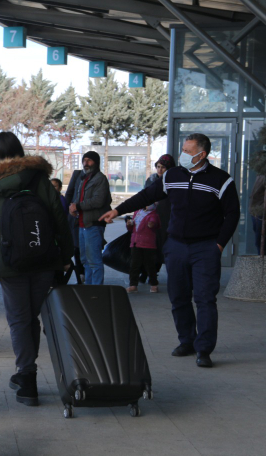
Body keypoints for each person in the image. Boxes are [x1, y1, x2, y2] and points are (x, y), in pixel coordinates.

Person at [101, 133, 241, 368]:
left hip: (205, 247)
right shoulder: (172, 176)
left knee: (205, 299)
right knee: (178, 297)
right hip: (176, 246)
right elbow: (147, 195)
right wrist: (117, 210)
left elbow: (232, 214)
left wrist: (219, 244)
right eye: (183, 150)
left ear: (202, 154)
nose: (183, 155)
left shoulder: (221, 180)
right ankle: (186, 340)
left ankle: (204, 349)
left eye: (188, 151)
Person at [0, 132, 73, 407]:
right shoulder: (37, 177)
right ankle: (29, 372)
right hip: (44, 258)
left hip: (10, 262)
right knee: (31, 316)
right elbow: (58, 216)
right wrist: (66, 254)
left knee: (19, 319)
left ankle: (27, 377)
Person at [68, 151, 112, 285]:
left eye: (89, 160)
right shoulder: (83, 178)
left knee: (94, 261)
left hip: (93, 224)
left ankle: (97, 289)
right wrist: (72, 207)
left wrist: (78, 206)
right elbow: (76, 197)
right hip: (81, 224)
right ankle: (89, 287)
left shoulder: (100, 179)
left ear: (96, 162)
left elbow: (98, 201)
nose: (86, 163)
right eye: (84, 160)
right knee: (85, 260)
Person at [143, 154, 176, 283]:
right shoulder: (151, 180)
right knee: (151, 247)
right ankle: (149, 273)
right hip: (151, 217)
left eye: (163, 167)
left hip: (167, 217)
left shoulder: (174, 181)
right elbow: (144, 195)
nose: (160, 170)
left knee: (165, 247)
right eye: (158, 167)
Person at [126, 205, 160, 293]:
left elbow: (155, 223)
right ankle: (133, 284)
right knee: (134, 265)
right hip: (135, 242)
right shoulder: (137, 213)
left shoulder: (154, 214)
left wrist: (152, 224)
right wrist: (129, 224)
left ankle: (153, 284)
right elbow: (131, 228)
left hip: (148, 243)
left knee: (150, 265)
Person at [250, 174, 264, 253]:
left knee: (260, 242)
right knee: (259, 242)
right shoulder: (260, 175)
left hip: (259, 212)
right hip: (257, 212)